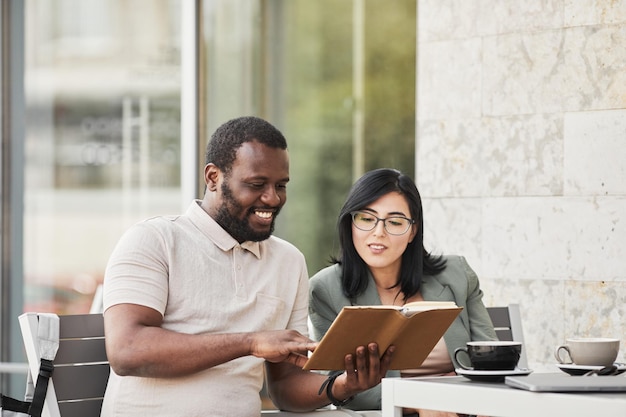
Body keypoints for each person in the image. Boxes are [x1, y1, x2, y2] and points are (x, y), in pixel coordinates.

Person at [100, 116, 394, 417]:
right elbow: (127, 350)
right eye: (257, 184)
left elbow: (285, 387)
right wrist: (251, 342)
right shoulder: (155, 240)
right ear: (213, 177)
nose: (273, 198)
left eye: (281, 185)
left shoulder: (288, 261)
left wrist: (344, 385)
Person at [309, 168, 497, 416]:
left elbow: (491, 360)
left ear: (413, 231)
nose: (378, 232)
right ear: (350, 223)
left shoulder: (457, 274)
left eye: (395, 222)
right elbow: (342, 388)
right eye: (366, 218)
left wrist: (453, 397)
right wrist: (420, 400)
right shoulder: (326, 289)